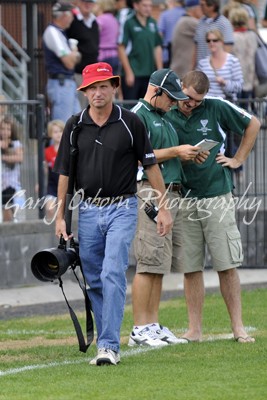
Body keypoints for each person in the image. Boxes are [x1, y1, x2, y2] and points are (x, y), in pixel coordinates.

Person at [53, 62, 173, 366]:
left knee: (112, 273)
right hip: (88, 211)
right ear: (84, 92)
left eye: (103, 86)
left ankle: (108, 346)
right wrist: (60, 216)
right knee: (94, 280)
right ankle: (110, 336)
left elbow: (150, 166)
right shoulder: (74, 125)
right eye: (92, 87)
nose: (98, 92)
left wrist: (163, 207)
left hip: (123, 207)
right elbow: (65, 173)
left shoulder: (131, 122)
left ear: (114, 87)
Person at [167, 70, 260, 343]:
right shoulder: (167, 110)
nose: (191, 103)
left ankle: (238, 327)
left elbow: (253, 123)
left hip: (216, 194)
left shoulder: (216, 106)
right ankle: (194, 329)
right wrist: (185, 157)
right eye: (188, 98)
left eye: (197, 100)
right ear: (180, 87)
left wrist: (237, 159)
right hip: (184, 196)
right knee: (191, 267)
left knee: (226, 264)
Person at [128, 69, 202, 346]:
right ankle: (139, 328)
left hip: (170, 192)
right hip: (149, 191)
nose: (174, 103)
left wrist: (187, 155)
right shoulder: (138, 115)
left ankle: (153, 325)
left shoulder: (162, 118)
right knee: (147, 262)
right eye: (170, 98)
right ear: (155, 90)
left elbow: (163, 156)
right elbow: (137, 158)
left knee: (159, 263)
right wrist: (176, 151)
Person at [43, 1, 81, 122]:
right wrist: (74, 52)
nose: (72, 19)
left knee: (77, 123)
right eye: (71, 15)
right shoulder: (53, 32)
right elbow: (69, 63)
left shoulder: (60, 33)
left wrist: (73, 56)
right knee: (62, 126)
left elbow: (74, 60)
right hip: (61, 83)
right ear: (64, 15)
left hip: (66, 83)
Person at [118, 0, 163, 100]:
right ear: (136, 5)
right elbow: (121, 47)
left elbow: (157, 46)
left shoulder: (153, 22)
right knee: (131, 108)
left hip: (150, 74)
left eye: (150, 6)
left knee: (146, 106)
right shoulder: (128, 22)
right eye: (145, 6)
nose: (148, 9)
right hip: (134, 73)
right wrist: (129, 72)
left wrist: (160, 71)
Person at [66, 0, 100, 109]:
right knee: (80, 106)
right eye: (85, 1)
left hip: (92, 73)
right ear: (79, 2)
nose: (88, 4)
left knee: (92, 105)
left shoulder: (94, 21)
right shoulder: (73, 20)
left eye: (90, 2)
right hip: (78, 72)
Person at [197, 29, 243, 100]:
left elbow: (239, 86)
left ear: (222, 41)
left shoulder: (233, 61)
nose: (211, 43)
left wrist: (225, 83)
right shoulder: (202, 63)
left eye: (215, 40)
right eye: (208, 40)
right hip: (207, 104)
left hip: (226, 105)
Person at [229, 7, 258, 106]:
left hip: (236, 78)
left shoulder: (232, 37)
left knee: (236, 108)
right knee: (246, 108)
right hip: (250, 77)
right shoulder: (252, 35)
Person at [194, 0, 234, 67]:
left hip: (217, 70)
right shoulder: (200, 22)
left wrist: (223, 68)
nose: (200, 7)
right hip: (201, 69)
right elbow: (196, 48)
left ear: (212, 6)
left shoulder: (224, 23)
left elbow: (228, 48)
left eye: (202, 5)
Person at [170, 0, 203, 78]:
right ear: (195, 9)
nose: (203, 10)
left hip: (180, 70)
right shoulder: (188, 22)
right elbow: (210, 30)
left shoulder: (183, 20)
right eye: (201, 7)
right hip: (183, 72)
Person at [0, 116, 23, 222]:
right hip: (1, 181)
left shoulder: (16, 144)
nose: (5, 132)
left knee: (8, 206)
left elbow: (19, 157)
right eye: (2, 129)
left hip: (11, 182)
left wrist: (3, 157)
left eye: (8, 129)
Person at [44, 119, 64, 222]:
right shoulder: (47, 151)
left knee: (62, 212)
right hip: (52, 184)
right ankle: (52, 231)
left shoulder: (67, 150)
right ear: (51, 134)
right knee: (50, 208)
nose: (58, 134)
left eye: (60, 131)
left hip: (65, 183)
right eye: (55, 132)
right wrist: (40, 183)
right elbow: (45, 169)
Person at [157, 0, 185, 68]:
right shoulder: (186, 13)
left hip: (168, 54)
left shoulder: (165, 14)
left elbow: (159, 34)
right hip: (184, 55)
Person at [94, 0, 120, 74]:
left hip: (102, 56)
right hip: (114, 55)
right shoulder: (114, 19)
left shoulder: (100, 19)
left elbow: (94, 35)